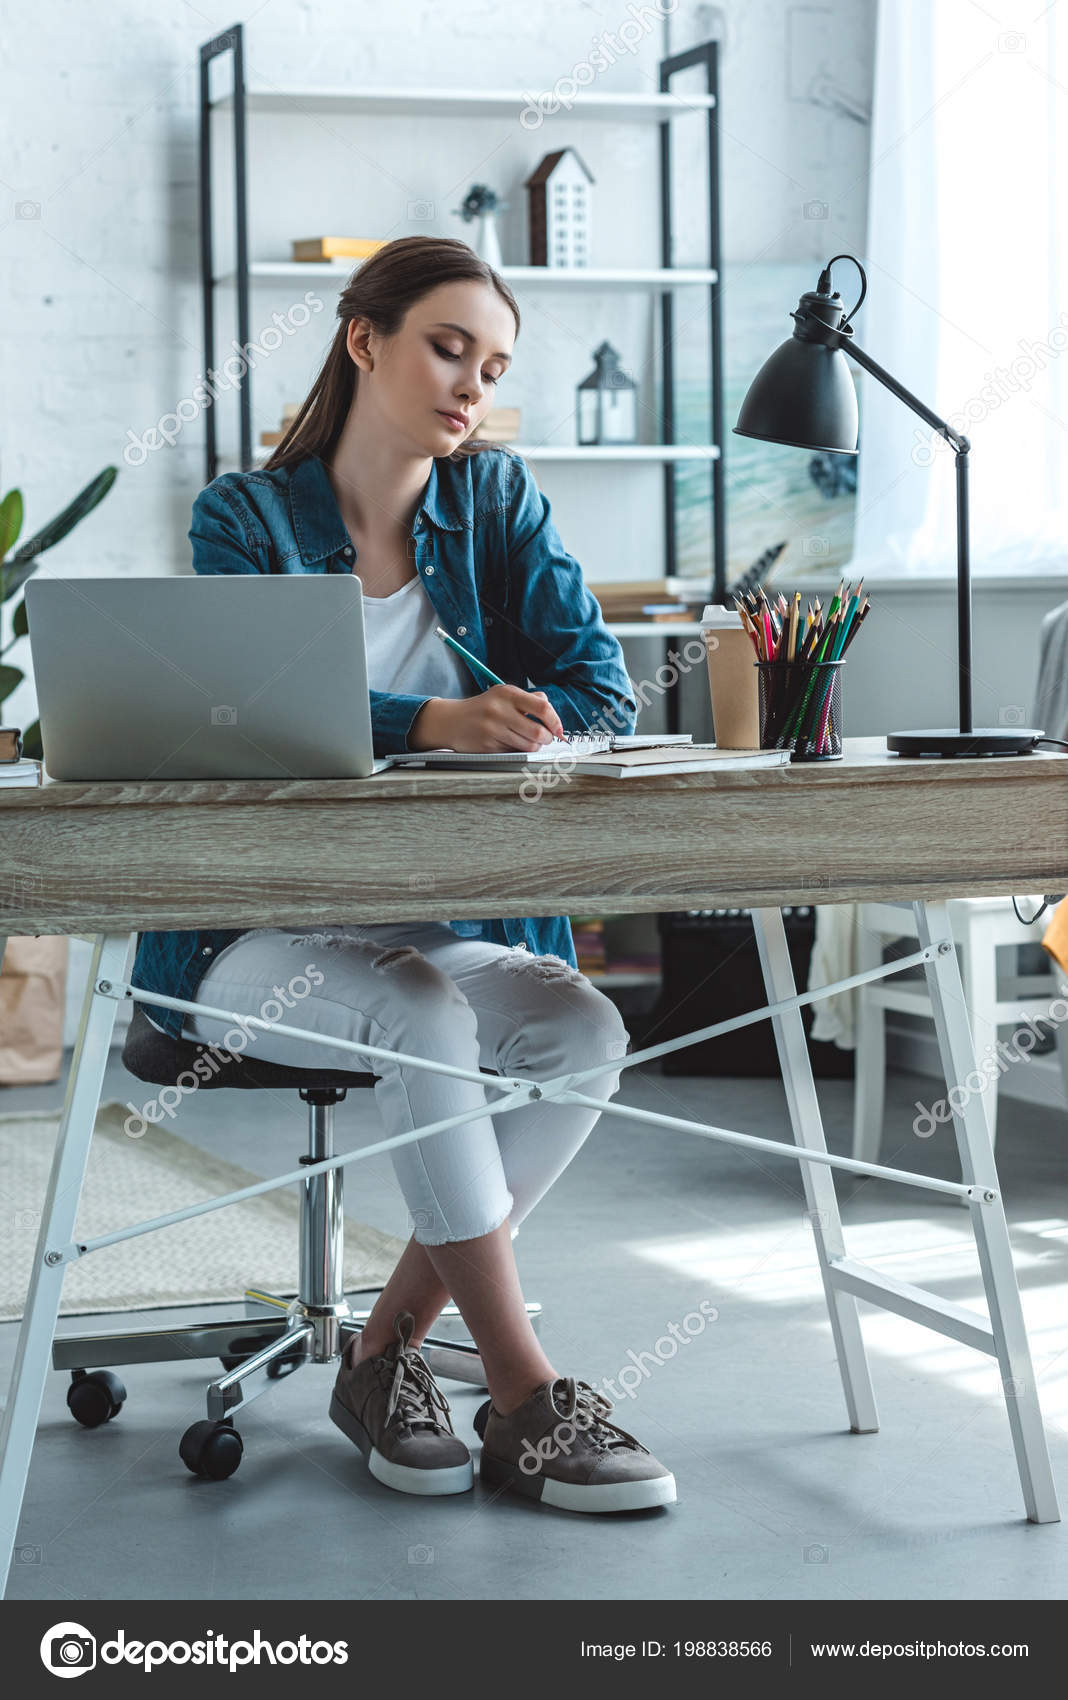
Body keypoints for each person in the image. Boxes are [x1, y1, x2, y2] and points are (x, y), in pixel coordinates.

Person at [131, 236, 676, 1515]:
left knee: (581, 1026)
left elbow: (598, 688)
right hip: (253, 938)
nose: (470, 386)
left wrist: (514, 715)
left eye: (491, 366)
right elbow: (239, 714)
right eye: (446, 346)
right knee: (415, 1007)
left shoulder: (497, 502)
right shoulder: (246, 517)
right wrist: (427, 722)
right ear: (363, 338)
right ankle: (526, 1390)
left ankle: (377, 1357)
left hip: (443, 917)